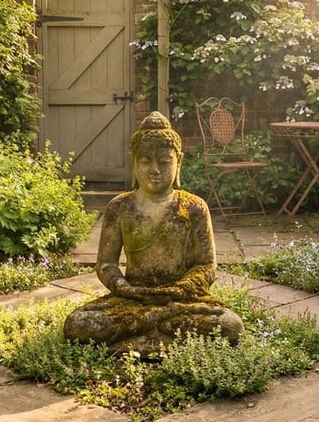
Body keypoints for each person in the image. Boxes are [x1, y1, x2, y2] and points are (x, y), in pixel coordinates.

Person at [63, 111, 244, 354]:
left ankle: (137, 338)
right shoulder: (119, 207)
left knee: (230, 325)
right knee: (77, 324)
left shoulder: (194, 207)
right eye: (146, 161)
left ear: (178, 162)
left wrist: (178, 290)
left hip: (180, 300)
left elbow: (206, 267)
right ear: (133, 162)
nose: (155, 170)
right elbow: (106, 264)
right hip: (133, 299)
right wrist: (124, 288)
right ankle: (165, 332)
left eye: (164, 162)